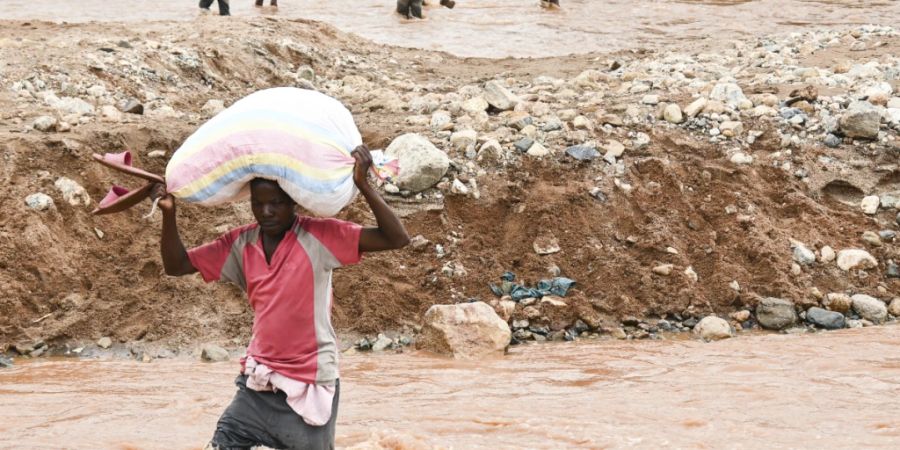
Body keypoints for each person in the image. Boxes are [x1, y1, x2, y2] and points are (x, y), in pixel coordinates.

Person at [151, 145, 409, 450]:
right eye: (258, 204)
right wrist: (169, 214)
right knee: (223, 442)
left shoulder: (320, 237)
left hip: (309, 380)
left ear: (294, 203)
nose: (267, 212)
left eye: (276, 203)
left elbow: (396, 238)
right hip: (259, 381)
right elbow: (177, 265)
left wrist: (363, 184)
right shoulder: (240, 244)